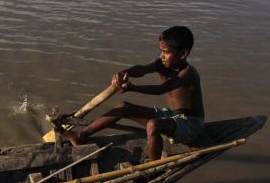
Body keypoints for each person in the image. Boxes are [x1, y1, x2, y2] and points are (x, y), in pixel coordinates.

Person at [63, 26, 204, 160]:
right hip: (173, 116)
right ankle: (81, 135)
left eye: (166, 52)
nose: (162, 56)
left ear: (183, 53)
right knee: (123, 107)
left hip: (191, 125)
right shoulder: (161, 64)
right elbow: (142, 69)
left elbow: (162, 89)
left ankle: (153, 167)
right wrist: (124, 73)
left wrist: (133, 88)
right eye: (161, 51)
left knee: (153, 125)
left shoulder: (189, 73)